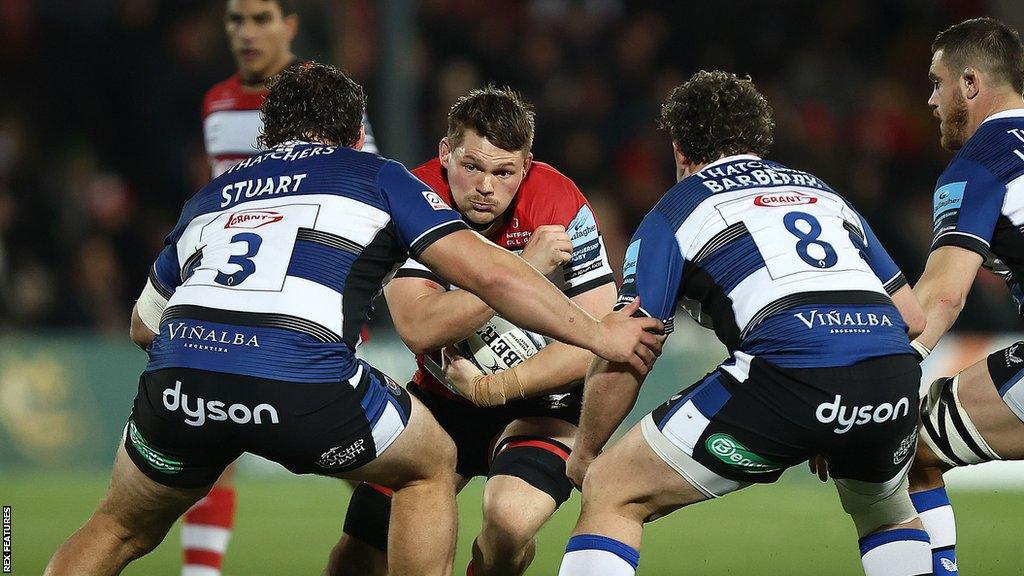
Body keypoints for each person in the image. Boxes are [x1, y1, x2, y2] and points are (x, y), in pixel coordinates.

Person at [43, 63, 663, 576]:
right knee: (430, 465)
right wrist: (600, 332)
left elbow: (141, 327)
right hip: (302, 377)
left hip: (182, 378)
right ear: (353, 133)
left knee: (118, 526)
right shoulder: (379, 178)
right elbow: (494, 276)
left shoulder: (212, 195)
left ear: (269, 131)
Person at [556, 70, 932, 576]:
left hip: (790, 374)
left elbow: (630, 342)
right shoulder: (822, 193)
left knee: (612, 489)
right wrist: (844, 406)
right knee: (885, 512)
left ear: (679, 148)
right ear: (757, 139)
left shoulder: (677, 208)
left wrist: (585, 453)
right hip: (892, 371)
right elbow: (911, 315)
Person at [330, 86, 617, 576]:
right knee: (361, 548)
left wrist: (495, 387)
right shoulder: (411, 196)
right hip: (443, 401)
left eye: (504, 172)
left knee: (508, 522)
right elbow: (419, 327)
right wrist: (517, 272)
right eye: (472, 167)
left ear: (525, 167)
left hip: (544, 405)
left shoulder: (559, 202)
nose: (486, 186)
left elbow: (596, 341)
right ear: (445, 155)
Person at [191, 2, 377, 574]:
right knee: (206, 437)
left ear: (291, 25)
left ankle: (397, 543)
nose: (247, 32)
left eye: (262, 18)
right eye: (236, 19)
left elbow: (366, 184)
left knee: (362, 457)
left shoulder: (323, 96)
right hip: (236, 296)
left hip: (310, 299)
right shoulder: (217, 103)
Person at [908, 17, 1024, 576]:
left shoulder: (982, 160)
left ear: (970, 83)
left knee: (906, 443)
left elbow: (944, 295)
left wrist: (881, 381)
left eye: (937, 83)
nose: (931, 99)